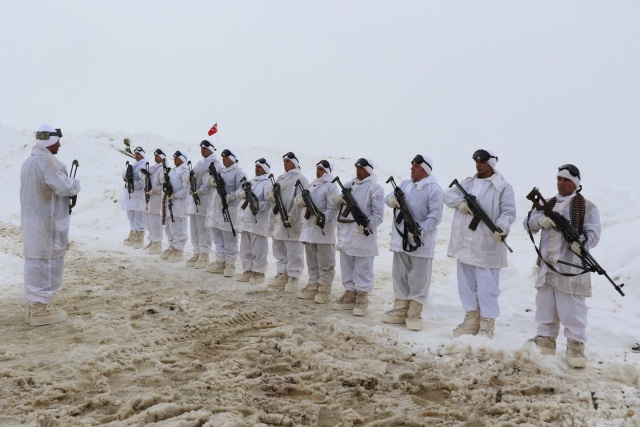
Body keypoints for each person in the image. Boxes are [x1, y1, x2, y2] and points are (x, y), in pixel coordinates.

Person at [523, 164, 600, 368]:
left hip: (571, 267)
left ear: (575, 183)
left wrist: (581, 241)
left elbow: (594, 234)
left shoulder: (587, 206)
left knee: (572, 308)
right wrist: (542, 222)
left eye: (566, 180)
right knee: (545, 304)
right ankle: (545, 339)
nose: (561, 183)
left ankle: (576, 345)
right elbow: (528, 222)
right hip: (548, 265)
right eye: (559, 179)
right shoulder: (548, 203)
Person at [443, 149, 516, 339]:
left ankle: (487, 323)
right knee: (465, 283)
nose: (478, 164)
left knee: (487, 285)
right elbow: (447, 196)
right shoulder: (467, 182)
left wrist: (501, 227)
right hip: (464, 242)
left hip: (486, 244)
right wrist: (460, 203)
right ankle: (471, 319)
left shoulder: (503, 187)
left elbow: (508, 212)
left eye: (482, 161)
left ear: (491, 164)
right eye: (476, 161)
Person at [20, 124, 81, 326]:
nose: (60, 145)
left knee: (35, 262)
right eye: (57, 142)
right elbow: (64, 186)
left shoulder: (29, 162)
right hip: (48, 223)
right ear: (49, 141)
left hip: (34, 221)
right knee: (48, 263)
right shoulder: (48, 162)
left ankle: (34, 306)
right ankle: (40, 309)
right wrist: (75, 184)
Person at [382, 154, 443, 330]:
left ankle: (415, 311)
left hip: (420, 242)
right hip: (401, 239)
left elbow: (435, 217)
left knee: (419, 277)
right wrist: (392, 201)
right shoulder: (405, 184)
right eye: (412, 165)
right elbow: (388, 197)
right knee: (400, 274)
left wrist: (419, 230)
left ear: (425, 169)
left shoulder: (434, 189)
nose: (412, 167)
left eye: (415, 165)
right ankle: (400, 308)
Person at [332, 157, 385, 316]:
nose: (358, 170)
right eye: (356, 167)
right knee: (346, 263)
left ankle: (362, 295)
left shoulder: (375, 188)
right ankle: (350, 292)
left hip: (362, 234)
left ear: (369, 169)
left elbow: (378, 214)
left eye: (361, 167)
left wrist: (368, 225)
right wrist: (338, 199)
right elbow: (338, 205)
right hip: (346, 231)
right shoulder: (349, 185)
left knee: (363, 265)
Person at [296, 160, 339, 303]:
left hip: (323, 231)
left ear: (327, 171)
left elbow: (332, 208)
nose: (318, 171)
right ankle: (313, 284)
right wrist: (301, 201)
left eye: (321, 169)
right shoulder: (312, 184)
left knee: (325, 262)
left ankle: (325, 288)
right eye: (317, 168)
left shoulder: (331, 185)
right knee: (312, 261)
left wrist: (323, 218)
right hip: (309, 230)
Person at [267, 152, 309, 292]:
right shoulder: (280, 178)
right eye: (284, 161)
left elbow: (299, 200)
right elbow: (274, 192)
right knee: (278, 247)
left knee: (293, 250)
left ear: (294, 163)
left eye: (287, 161)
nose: (285, 163)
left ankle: (294, 276)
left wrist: (292, 215)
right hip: (279, 217)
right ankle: (282, 273)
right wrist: (271, 195)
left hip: (291, 219)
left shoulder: (301, 179)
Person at [205, 148, 246, 277]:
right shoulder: (220, 171)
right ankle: (221, 260)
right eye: (222, 157)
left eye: (226, 157)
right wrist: (210, 180)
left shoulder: (238, 172)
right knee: (218, 236)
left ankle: (230, 263)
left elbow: (242, 189)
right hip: (217, 209)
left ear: (232, 158)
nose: (223, 159)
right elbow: (206, 177)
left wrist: (231, 196)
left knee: (229, 238)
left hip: (230, 209)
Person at [236, 158, 274, 284]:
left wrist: (257, 205)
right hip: (246, 220)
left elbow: (268, 203)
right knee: (245, 248)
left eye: (259, 166)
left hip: (258, 221)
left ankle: (259, 272)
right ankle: (247, 270)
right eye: (255, 166)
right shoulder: (251, 181)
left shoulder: (267, 183)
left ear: (265, 169)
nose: (256, 168)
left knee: (259, 248)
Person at [185, 140, 220, 269]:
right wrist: (189, 179)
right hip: (195, 199)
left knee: (203, 228)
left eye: (205, 148)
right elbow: (193, 176)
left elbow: (214, 181)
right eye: (201, 148)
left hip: (205, 200)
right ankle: (197, 252)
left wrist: (202, 190)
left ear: (211, 149)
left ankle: (204, 254)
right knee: (194, 228)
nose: (202, 150)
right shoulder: (199, 163)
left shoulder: (215, 163)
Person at [159, 151, 190, 263]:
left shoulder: (184, 172)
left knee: (178, 227)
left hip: (179, 204)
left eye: (177, 157)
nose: (175, 159)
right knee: (169, 226)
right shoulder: (173, 171)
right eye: (174, 157)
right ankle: (172, 246)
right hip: (169, 203)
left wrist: (176, 195)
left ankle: (179, 249)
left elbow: (186, 189)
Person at [140, 149, 166, 255]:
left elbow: (163, 185)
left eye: (158, 155)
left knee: (155, 221)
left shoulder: (163, 169)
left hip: (156, 198)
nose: (155, 157)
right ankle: (152, 240)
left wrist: (154, 190)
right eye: (154, 155)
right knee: (148, 220)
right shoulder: (153, 168)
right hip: (149, 198)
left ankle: (157, 242)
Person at [121, 145, 147, 248]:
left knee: (139, 217)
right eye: (135, 153)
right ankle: (132, 235)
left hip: (138, 195)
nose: (136, 155)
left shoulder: (144, 165)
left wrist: (133, 184)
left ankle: (140, 237)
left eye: (138, 154)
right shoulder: (135, 164)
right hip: (130, 195)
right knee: (130, 215)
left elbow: (143, 182)